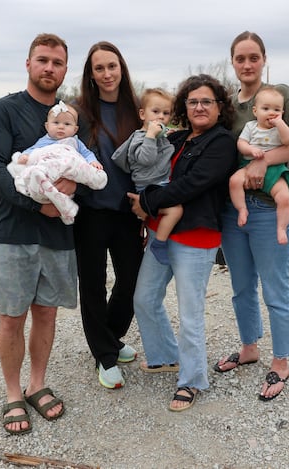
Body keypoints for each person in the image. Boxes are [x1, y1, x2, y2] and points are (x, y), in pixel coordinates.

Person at [0, 33, 76, 435]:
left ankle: (38, 384)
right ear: (28, 64)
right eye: (42, 60)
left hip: (56, 236)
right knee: (11, 318)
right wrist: (41, 205)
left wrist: (76, 188)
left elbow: (85, 161)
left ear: (65, 69)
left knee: (47, 313)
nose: (49, 67)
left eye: (57, 62)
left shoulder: (69, 116)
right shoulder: (2, 111)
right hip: (12, 233)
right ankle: (13, 393)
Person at [214, 31, 289, 402]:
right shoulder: (228, 106)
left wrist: (262, 162)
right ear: (232, 62)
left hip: (270, 207)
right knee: (241, 286)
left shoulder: (280, 96)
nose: (247, 65)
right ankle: (249, 347)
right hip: (235, 209)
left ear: (264, 59)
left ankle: (281, 361)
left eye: (253, 58)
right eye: (240, 58)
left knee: (275, 289)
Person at [129, 74, 237, 412]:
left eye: (207, 101)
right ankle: (165, 357)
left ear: (220, 107)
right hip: (162, 233)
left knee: (190, 313)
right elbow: (147, 166)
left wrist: (146, 201)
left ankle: (192, 380)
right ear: (184, 107)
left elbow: (193, 184)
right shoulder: (175, 138)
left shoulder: (222, 143)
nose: (199, 106)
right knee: (144, 298)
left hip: (196, 237)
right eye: (193, 101)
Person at [73, 41, 144, 389]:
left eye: (111, 66)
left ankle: (109, 339)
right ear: (91, 74)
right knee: (93, 285)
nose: (106, 74)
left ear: (121, 68)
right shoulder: (81, 113)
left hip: (128, 212)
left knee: (132, 283)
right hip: (90, 214)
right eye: (98, 68)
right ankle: (104, 355)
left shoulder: (137, 111)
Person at [111, 88, 182, 264]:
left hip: (159, 184)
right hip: (149, 187)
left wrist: (164, 137)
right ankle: (159, 243)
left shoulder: (158, 137)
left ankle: (158, 238)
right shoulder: (140, 137)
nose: (161, 117)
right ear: (142, 114)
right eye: (155, 112)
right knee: (176, 210)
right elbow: (146, 159)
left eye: (166, 113)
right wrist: (151, 136)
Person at [7, 101, 107, 225]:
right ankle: (61, 203)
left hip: (68, 171)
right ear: (47, 126)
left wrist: (93, 162)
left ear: (75, 129)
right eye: (56, 123)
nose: (61, 127)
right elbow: (34, 151)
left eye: (67, 124)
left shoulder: (75, 142)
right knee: (39, 168)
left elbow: (87, 154)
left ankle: (96, 178)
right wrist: (25, 156)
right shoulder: (44, 141)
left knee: (80, 167)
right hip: (50, 172)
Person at [228, 85, 289, 244]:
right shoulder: (250, 126)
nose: (272, 113)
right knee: (234, 181)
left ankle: (281, 228)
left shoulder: (280, 128)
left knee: (284, 197)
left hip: (275, 169)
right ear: (255, 111)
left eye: (277, 110)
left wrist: (280, 124)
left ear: (282, 113)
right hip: (248, 164)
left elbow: (288, 141)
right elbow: (241, 143)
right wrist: (250, 149)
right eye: (266, 108)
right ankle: (242, 209)